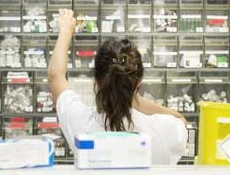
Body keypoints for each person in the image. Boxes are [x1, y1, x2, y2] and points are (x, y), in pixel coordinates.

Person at [48, 9, 188, 165]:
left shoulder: (82, 124)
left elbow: (56, 76)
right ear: (140, 81)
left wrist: (66, 31)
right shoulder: (161, 128)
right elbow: (180, 120)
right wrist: (132, 98)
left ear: (97, 82)